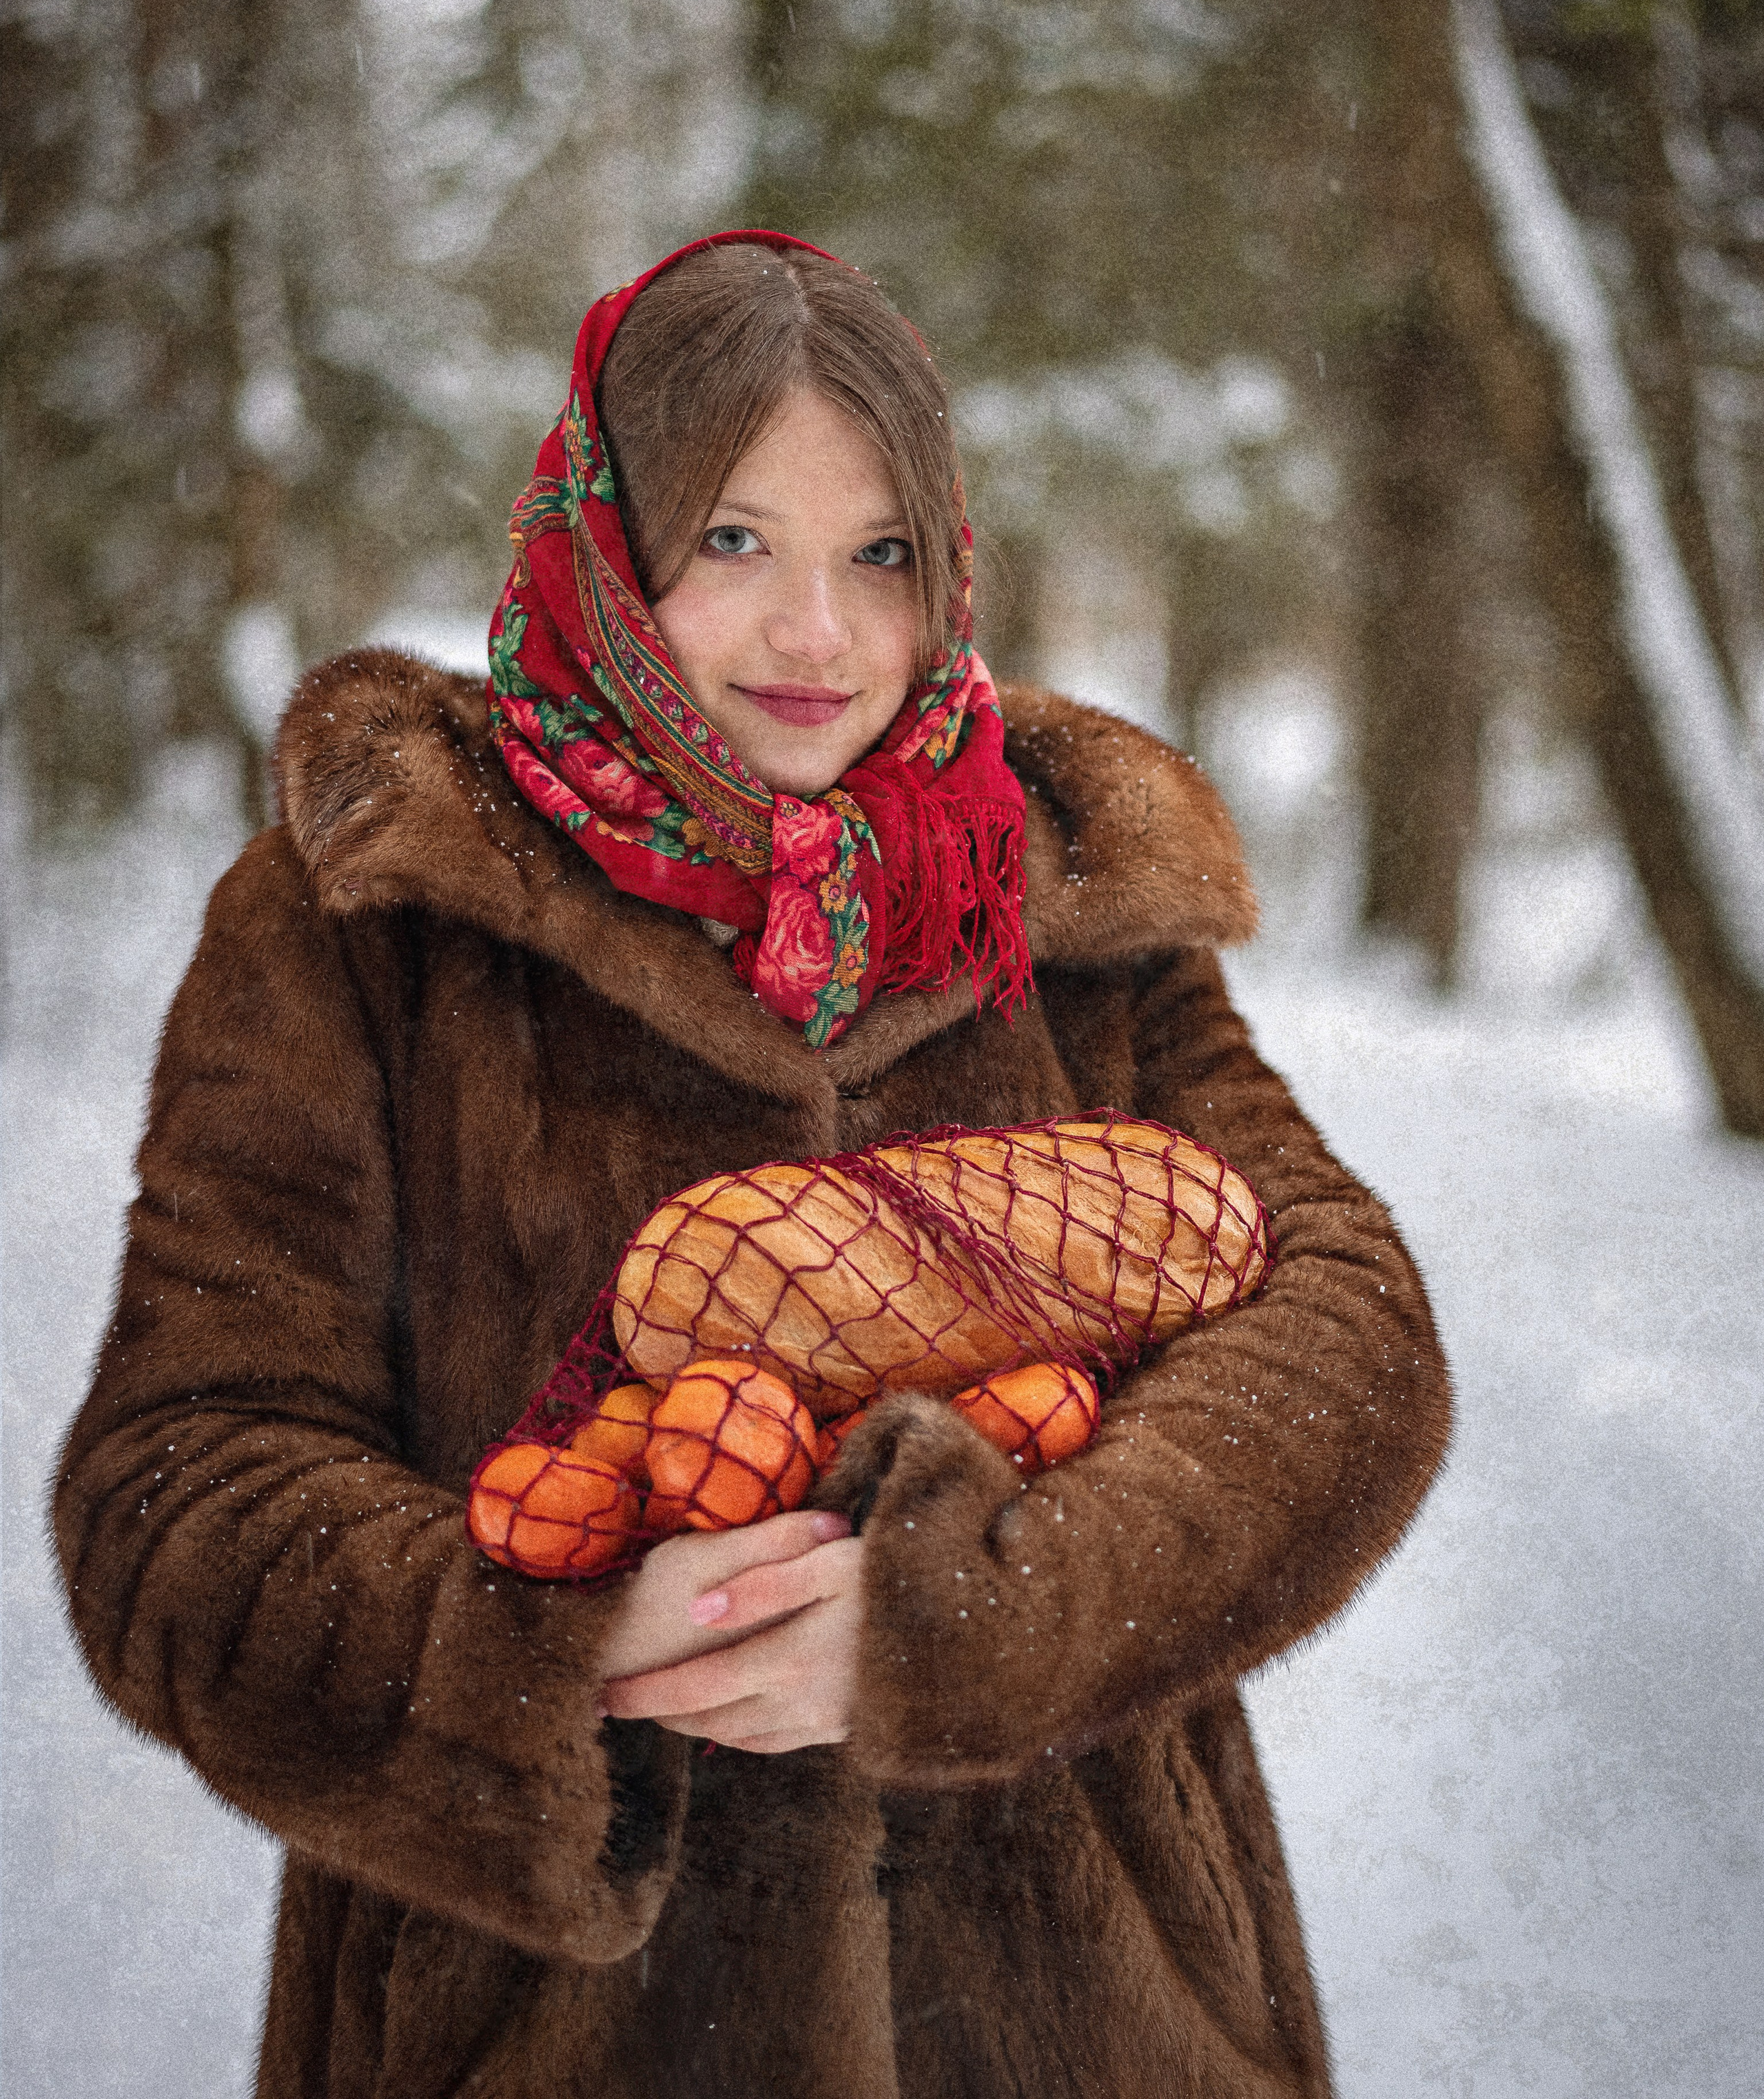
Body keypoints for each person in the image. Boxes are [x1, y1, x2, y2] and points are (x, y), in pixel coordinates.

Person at [55, 229, 1450, 2099]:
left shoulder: (1060, 888)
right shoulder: (374, 915)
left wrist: (985, 1619)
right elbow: (176, 1488)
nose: (820, 635)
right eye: (735, 539)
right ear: (608, 545)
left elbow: (1349, 1342)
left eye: (880, 552)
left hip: (1090, 2029)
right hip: (542, 2030)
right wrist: (550, 1653)